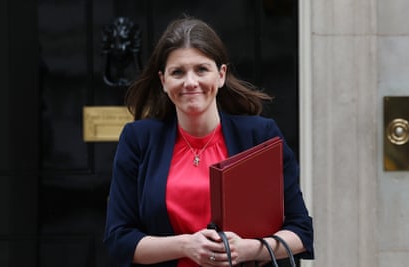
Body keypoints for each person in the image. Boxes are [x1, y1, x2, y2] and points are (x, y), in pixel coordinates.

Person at [104, 16, 314, 267]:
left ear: (221, 75)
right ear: (163, 81)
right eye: (178, 72)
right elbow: (119, 239)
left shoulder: (260, 136)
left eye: (201, 69)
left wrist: (248, 250)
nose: (190, 82)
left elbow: (301, 232)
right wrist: (185, 245)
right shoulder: (138, 139)